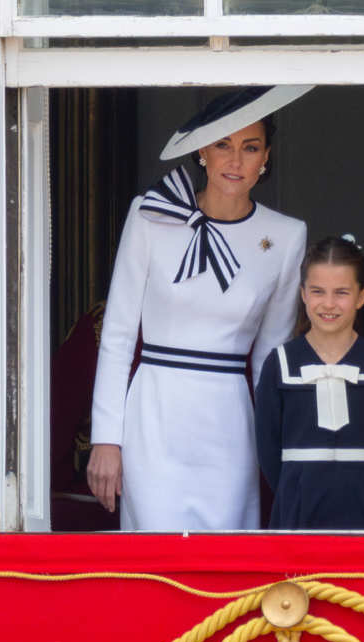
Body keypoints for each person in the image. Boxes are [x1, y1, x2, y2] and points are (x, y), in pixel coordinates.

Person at [87, 86, 312, 531]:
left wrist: (281, 442)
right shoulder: (151, 216)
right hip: (154, 412)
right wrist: (106, 439)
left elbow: (270, 356)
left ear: (266, 156)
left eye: (250, 147)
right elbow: (117, 333)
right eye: (222, 145)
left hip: (229, 423)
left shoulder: (286, 235)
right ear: (202, 152)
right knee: (154, 557)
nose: (235, 160)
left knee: (227, 560)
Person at [255, 236, 364, 530]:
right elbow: (268, 451)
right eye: (317, 291)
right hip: (297, 513)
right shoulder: (280, 364)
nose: (328, 304)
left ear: (361, 297)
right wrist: (296, 490)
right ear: (303, 294)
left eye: (341, 293)